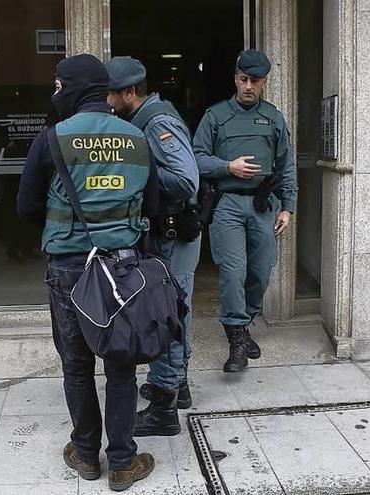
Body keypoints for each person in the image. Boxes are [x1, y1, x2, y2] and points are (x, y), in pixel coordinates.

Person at [17, 53, 159, 492]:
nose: (55, 93)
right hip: (122, 268)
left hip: (69, 268)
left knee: (76, 365)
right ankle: (121, 462)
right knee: (120, 364)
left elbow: (25, 207)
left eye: (59, 86)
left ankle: (84, 453)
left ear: (77, 88)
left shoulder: (52, 138)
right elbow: (153, 207)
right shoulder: (136, 137)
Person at [105, 56, 200, 437]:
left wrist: (137, 172)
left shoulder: (157, 122)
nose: (108, 102)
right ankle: (179, 387)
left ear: (130, 92)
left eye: (111, 94)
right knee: (174, 309)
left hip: (172, 234)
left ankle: (164, 406)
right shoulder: (144, 118)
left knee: (166, 314)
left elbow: (186, 180)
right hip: (168, 233)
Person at [192, 49, 298, 373]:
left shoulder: (273, 117)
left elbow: (287, 164)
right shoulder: (216, 116)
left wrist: (288, 208)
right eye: (243, 79)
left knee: (261, 271)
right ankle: (236, 339)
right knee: (233, 272)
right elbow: (195, 158)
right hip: (226, 204)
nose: (248, 86)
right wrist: (227, 166)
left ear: (265, 82)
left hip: (263, 205)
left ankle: (245, 320)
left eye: (255, 81)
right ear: (235, 78)